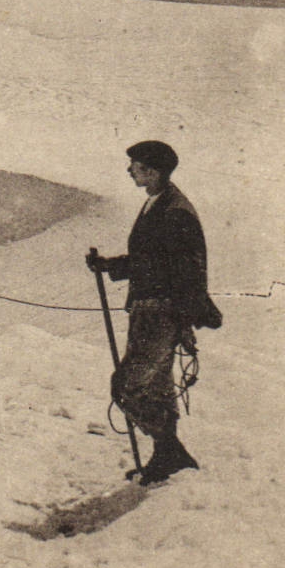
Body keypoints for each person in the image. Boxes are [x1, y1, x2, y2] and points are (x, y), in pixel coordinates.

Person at [87, 140, 210, 485]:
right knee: (155, 387)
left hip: (160, 314)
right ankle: (165, 456)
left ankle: (170, 450)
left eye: (136, 166)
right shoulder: (159, 203)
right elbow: (150, 260)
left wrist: (181, 319)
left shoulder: (175, 212)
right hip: (149, 311)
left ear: (153, 172)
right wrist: (108, 266)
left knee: (128, 388)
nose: (130, 170)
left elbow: (183, 269)